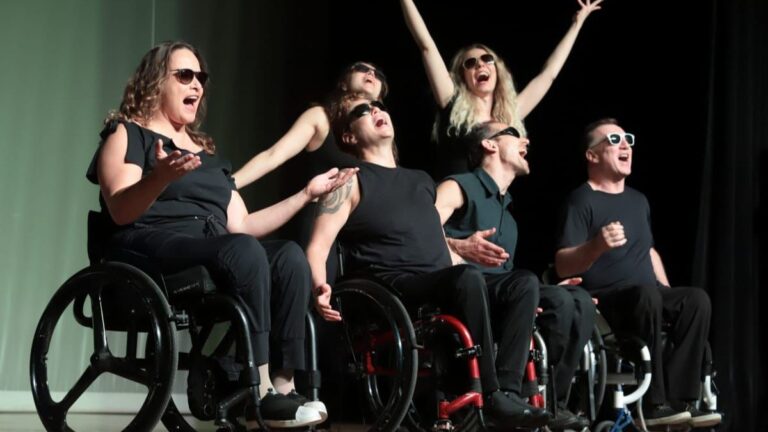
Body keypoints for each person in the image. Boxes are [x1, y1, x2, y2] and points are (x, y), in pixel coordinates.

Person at [86, 41, 356, 428]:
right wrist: (160, 177)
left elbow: (242, 225)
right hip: (148, 241)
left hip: (210, 244)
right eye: (185, 75)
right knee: (241, 250)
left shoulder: (206, 154)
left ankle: (283, 387)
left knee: (288, 256)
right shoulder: (128, 135)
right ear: (155, 82)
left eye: (201, 77)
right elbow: (121, 209)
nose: (197, 84)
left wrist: (306, 195)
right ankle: (259, 389)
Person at [305, 96, 551, 428]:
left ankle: (508, 391)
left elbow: (431, 240)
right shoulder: (350, 181)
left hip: (438, 277)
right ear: (349, 135)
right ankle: (490, 394)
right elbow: (318, 246)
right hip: (394, 284)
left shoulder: (420, 180)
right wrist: (319, 286)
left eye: (380, 106)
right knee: (466, 279)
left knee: (523, 283)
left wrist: (461, 252)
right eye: (363, 110)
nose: (377, 110)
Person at [554, 118, 722, 428]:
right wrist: (597, 245)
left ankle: (681, 400)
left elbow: (648, 250)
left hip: (647, 296)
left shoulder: (638, 200)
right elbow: (563, 263)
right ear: (592, 155)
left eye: (627, 139)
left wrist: (667, 290)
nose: (625, 145)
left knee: (695, 300)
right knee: (647, 296)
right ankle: (653, 403)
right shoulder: (581, 200)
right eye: (614, 140)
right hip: (608, 301)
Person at [435, 121, 595, 430]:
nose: (526, 142)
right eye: (514, 135)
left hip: (499, 290)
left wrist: (547, 290)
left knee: (574, 300)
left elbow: (507, 277)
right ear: (490, 145)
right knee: (523, 282)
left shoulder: (507, 215)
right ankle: (505, 393)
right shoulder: (459, 185)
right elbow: (421, 229)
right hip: (463, 288)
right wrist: (456, 244)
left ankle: (551, 402)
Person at [400, 0, 603, 179]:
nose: (480, 64)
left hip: (491, 206)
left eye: (487, 59)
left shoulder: (508, 116)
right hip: (453, 206)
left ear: (497, 70)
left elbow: (548, 74)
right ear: (463, 77)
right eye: (470, 63)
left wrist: (577, 23)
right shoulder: (450, 102)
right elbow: (426, 46)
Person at [232, 61, 388, 190]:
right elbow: (274, 155)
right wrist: (227, 185)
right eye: (361, 68)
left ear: (380, 95)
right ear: (344, 84)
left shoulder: (385, 131)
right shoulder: (320, 117)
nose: (371, 73)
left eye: (378, 74)